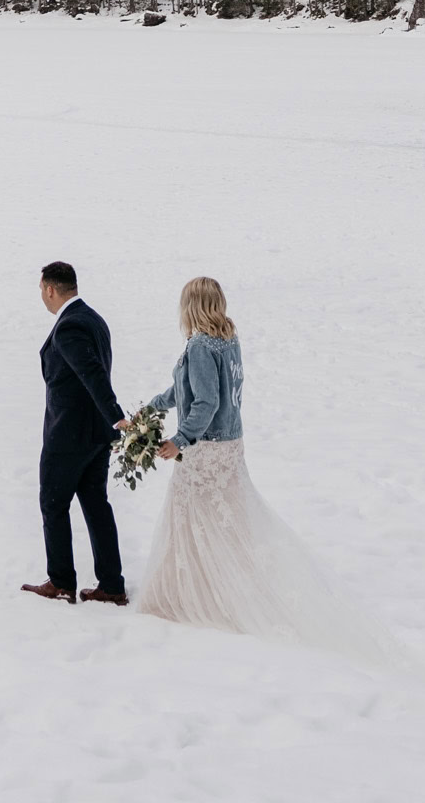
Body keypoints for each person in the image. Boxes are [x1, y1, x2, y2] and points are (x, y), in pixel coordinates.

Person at [125, 277, 394, 659]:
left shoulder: (201, 345)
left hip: (206, 450)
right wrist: (149, 411)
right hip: (231, 446)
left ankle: (188, 598)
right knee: (225, 523)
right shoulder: (227, 338)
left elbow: (205, 403)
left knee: (187, 522)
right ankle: (215, 587)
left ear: (191, 305)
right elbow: (182, 390)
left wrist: (178, 440)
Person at [23, 261, 128, 605]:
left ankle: (62, 582)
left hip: (69, 436)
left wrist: (116, 416)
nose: (41, 296)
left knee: (52, 505)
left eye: (41, 290)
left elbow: (93, 374)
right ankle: (111, 585)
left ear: (51, 289)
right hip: (95, 436)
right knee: (97, 505)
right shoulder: (94, 319)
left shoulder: (69, 327)